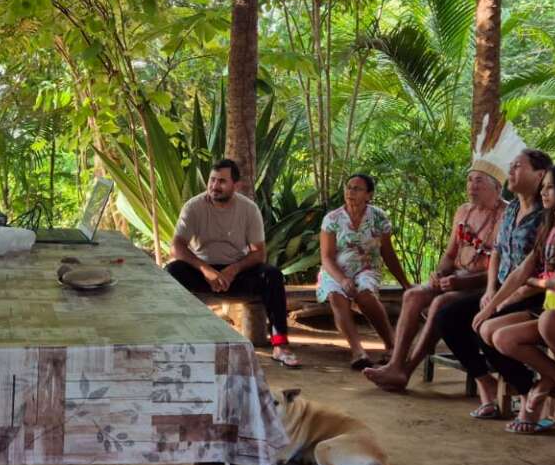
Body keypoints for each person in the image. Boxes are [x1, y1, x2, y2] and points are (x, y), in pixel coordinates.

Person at [427, 148, 553, 415]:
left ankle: (527, 389)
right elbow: (497, 251)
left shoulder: (546, 216)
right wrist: (491, 290)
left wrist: (500, 300)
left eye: (518, 167)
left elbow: (538, 270)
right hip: (502, 289)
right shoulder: (514, 208)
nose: (511, 172)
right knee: (448, 316)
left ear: (539, 174)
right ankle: (486, 382)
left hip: (531, 295)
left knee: (484, 326)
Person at [364, 166, 505, 392]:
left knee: (441, 303)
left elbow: (500, 272)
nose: (472, 186)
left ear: (497, 187)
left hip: (483, 285)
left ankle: (406, 371)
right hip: (456, 277)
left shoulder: (505, 216)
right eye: (469, 180)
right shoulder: (463, 211)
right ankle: (396, 364)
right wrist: (440, 273)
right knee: (412, 295)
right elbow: (450, 255)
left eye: (479, 181)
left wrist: (462, 283)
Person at [480, 164, 555, 433]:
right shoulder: (550, 227)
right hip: (551, 309)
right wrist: (492, 306)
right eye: (543, 186)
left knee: (506, 336)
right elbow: (521, 271)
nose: (543, 192)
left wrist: (535, 281)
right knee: (495, 333)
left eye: (551, 187)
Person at [167, 158, 299, 366]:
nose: (214, 186)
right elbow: (177, 246)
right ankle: (175, 341)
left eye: (221, 181)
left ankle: (280, 345)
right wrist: (206, 270)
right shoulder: (193, 206)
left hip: (237, 274)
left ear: (236, 186)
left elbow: (258, 253)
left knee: (272, 275)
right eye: (212, 180)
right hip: (202, 272)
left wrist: (232, 270)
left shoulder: (249, 209)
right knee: (172, 271)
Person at [316, 173, 411, 370]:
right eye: (348, 187)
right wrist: (342, 280)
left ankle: (391, 345)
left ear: (369, 195)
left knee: (365, 295)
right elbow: (326, 257)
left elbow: (388, 253)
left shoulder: (378, 217)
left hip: (366, 268)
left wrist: (405, 284)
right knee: (336, 296)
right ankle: (358, 352)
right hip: (335, 270)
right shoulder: (332, 219)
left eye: (357, 189)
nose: (350, 192)